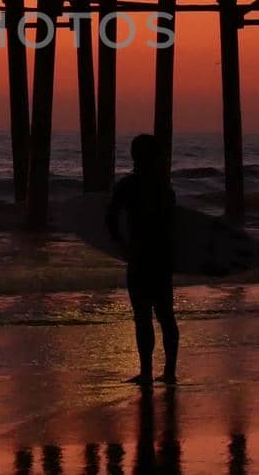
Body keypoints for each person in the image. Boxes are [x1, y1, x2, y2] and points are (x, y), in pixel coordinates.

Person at [106, 133, 178, 385]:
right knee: (166, 315)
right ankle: (169, 372)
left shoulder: (127, 186)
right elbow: (174, 228)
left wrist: (121, 246)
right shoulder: (165, 189)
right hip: (161, 259)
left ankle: (146, 372)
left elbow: (111, 218)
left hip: (139, 257)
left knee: (142, 316)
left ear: (135, 156)